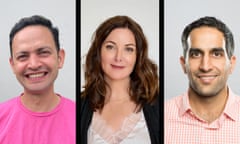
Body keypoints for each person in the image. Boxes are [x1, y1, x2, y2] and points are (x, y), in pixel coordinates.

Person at [80, 15, 159, 144]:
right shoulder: (79, 107)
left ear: (137, 56)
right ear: (98, 52)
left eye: (128, 49)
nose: (118, 57)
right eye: (110, 47)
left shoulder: (158, 105)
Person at [0, 15, 75, 144]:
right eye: (23, 56)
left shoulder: (82, 118)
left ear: (60, 58)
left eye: (43, 52)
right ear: (12, 65)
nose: (34, 64)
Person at [164, 16, 240, 143]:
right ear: (183, 64)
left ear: (231, 64)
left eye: (216, 54)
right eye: (196, 54)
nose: (205, 66)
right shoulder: (161, 117)